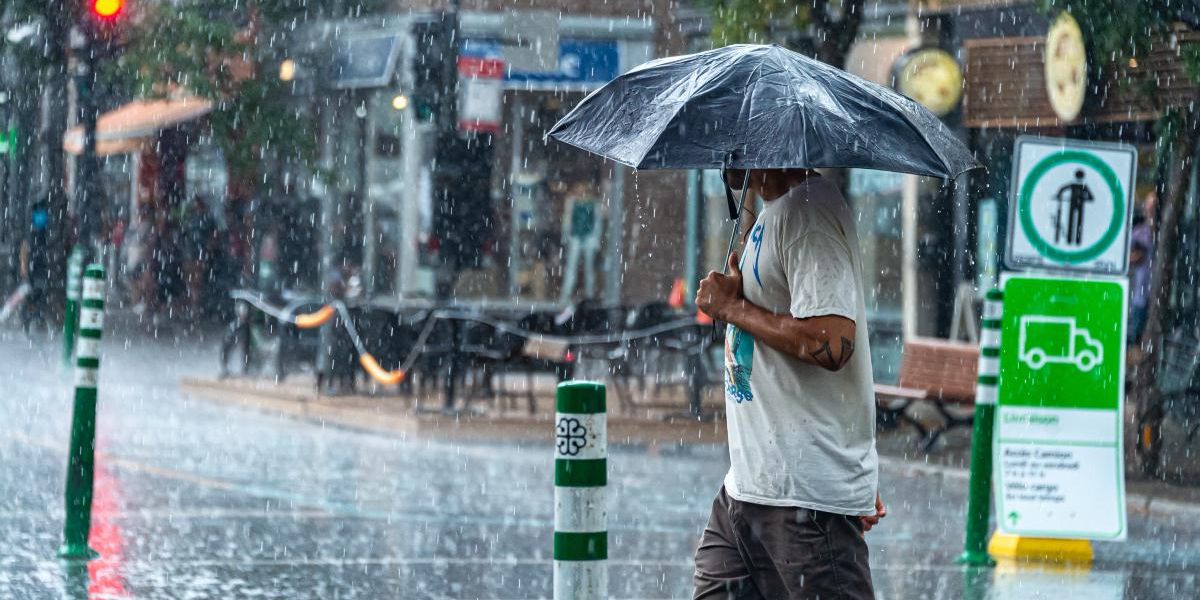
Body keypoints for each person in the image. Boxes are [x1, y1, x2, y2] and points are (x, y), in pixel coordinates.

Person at [693, 168, 885, 600]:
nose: (723, 161)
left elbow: (832, 342)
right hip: (748, 489)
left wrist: (732, 309)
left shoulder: (809, 213)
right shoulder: (774, 214)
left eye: (734, 142)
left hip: (804, 503)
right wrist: (739, 299)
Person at [559, 180, 603, 303]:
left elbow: (597, 222)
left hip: (589, 238)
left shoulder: (593, 203)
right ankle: (565, 296)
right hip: (575, 238)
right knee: (571, 268)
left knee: (589, 269)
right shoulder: (572, 202)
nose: (580, 191)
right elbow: (567, 220)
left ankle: (589, 296)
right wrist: (566, 236)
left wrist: (596, 239)